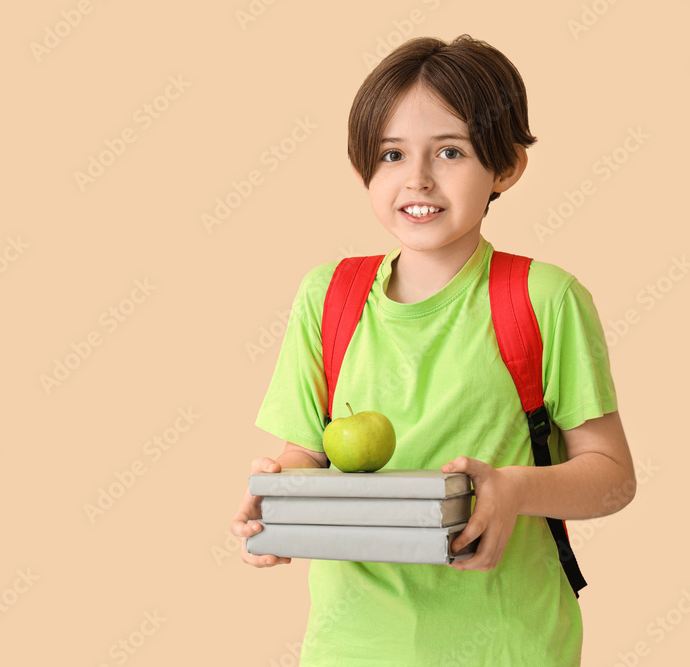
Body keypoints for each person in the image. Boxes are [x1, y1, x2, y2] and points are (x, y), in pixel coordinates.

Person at [230, 34, 637, 665]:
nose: (416, 178)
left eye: (451, 151)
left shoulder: (544, 299)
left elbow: (613, 481)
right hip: (352, 648)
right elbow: (306, 451)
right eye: (391, 154)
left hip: (510, 647)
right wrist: (278, 500)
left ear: (505, 168)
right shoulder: (328, 296)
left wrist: (517, 489)